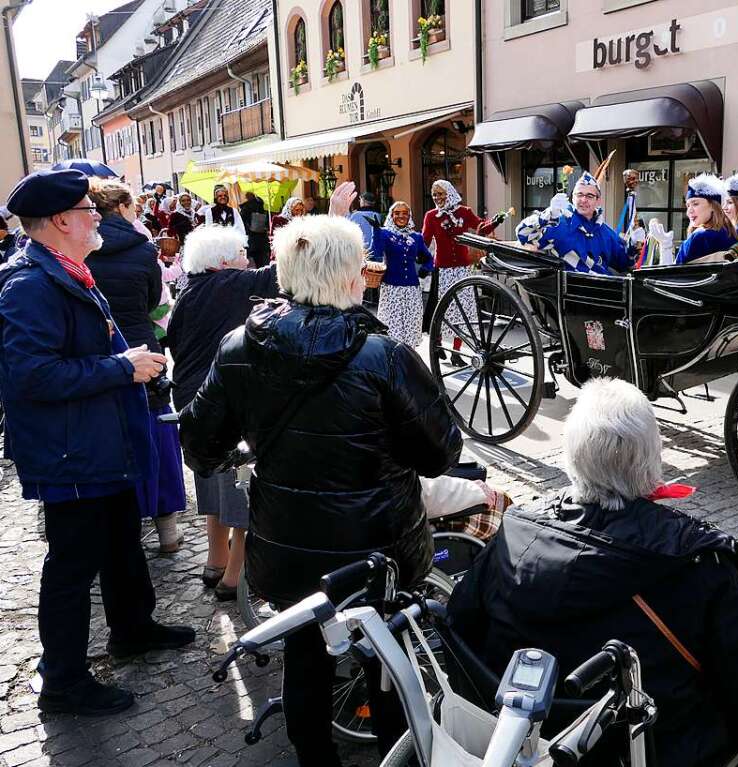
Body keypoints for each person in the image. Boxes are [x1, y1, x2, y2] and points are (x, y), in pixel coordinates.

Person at [178, 181, 463, 766]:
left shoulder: (239, 347)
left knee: (304, 659)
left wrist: (247, 445)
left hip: (288, 546)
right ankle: (394, 756)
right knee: (387, 669)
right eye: (361, 267)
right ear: (347, 276)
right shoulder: (382, 354)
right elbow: (441, 453)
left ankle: (315, 758)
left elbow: (199, 444)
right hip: (378, 550)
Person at [448, 378, 738, 767]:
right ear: (651, 461)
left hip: (531, 745)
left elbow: (461, 631)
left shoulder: (515, 535)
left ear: (572, 454)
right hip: (654, 750)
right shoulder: (697, 568)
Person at [0, 169, 195, 717]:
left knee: (119, 540)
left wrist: (135, 369)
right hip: (72, 453)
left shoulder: (65, 270)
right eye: (89, 209)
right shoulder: (30, 284)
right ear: (62, 221)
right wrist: (118, 368)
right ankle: (62, 680)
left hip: (97, 442)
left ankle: (132, 627)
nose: (98, 216)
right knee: (72, 564)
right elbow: (31, 376)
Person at [165, 227, 278, 601]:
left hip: (190, 393)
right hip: (222, 396)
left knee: (210, 474)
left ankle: (215, 560)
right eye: (242, 252)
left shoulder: (190, 291)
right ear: (224, 260)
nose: (247, 257)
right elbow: (280, 271)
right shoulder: (231, 283)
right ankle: (235, 575)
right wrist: (334, 217)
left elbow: (177, 345)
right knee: (238, 484)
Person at [87, 179, 187, 554]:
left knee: (109, 434)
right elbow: (151, 299)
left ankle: (118, 530)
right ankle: (168, 531)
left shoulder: (84, 249)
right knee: (158, 432)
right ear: (124, 207)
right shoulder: (143, 249)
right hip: (143, 344)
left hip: (98, 349)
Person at [423, 180, 502, 364]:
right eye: (434, 194)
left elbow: (481, 227)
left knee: (463, 311)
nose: (437, 198)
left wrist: (497, 220)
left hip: (461, 269)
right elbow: (424, 242)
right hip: (441, 270)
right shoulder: (431, 216)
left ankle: (457, 353)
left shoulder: (464, 212)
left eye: (441, 193)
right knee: (440, 310)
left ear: (449, 193)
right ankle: (438, 343)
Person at [517, 171, 644, 274]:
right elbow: (522, 234)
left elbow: (623, 264)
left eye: (589, 196)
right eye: (579, 195)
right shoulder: (558, 223)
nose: (583, 200)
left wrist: (632, 245)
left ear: (598, 201)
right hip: (573, 295)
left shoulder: (605, 231)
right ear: (573, 198)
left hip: (606, 292)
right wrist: (548, 214)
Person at [371, 200, 433, 348]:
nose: (401, 216)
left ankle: (409, 357)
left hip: (412, 288)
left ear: (409, 216)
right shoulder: (385, 233)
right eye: (397, 213)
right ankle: (392, 357)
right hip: (391, 288)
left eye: (405, 213)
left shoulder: (416, 237)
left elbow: (429, 258)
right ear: (391, 216)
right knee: (392, 326)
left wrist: (426, 268)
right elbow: (376, 254)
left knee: (411, 324)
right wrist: (376, 232)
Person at [675, 174, 738, 264]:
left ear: (713, 206)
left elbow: (671, 274)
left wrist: (664, 247)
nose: (689, 211)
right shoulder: (732, 234)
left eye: (695, 204)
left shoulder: (699, 237)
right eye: (688, 205)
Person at [239, 191, 271, 268]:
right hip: (263, 238)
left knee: (254, 262)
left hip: (252, 238)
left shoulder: (245, 208)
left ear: (246, 198)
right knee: (264, 260)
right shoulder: (261, 205)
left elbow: (242, 223)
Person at [348, 191, 383, 258]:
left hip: (361, 251)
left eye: (360, 199)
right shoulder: (378, 215)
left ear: (363, 201)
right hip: (375, 250)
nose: (359, 201)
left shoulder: (355, 215)